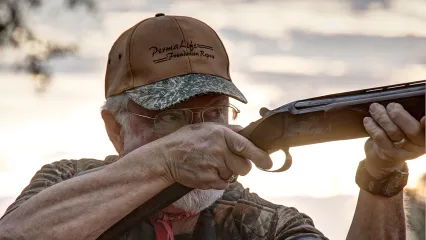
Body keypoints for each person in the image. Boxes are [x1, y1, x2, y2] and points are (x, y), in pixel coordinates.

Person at [0, 13, 424, 240]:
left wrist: (382, 175)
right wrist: (165, 166)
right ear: (115, 128)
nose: (200, 134)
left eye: (214, 114)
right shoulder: (67, 184)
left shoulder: (263, 224)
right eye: (170, 117)